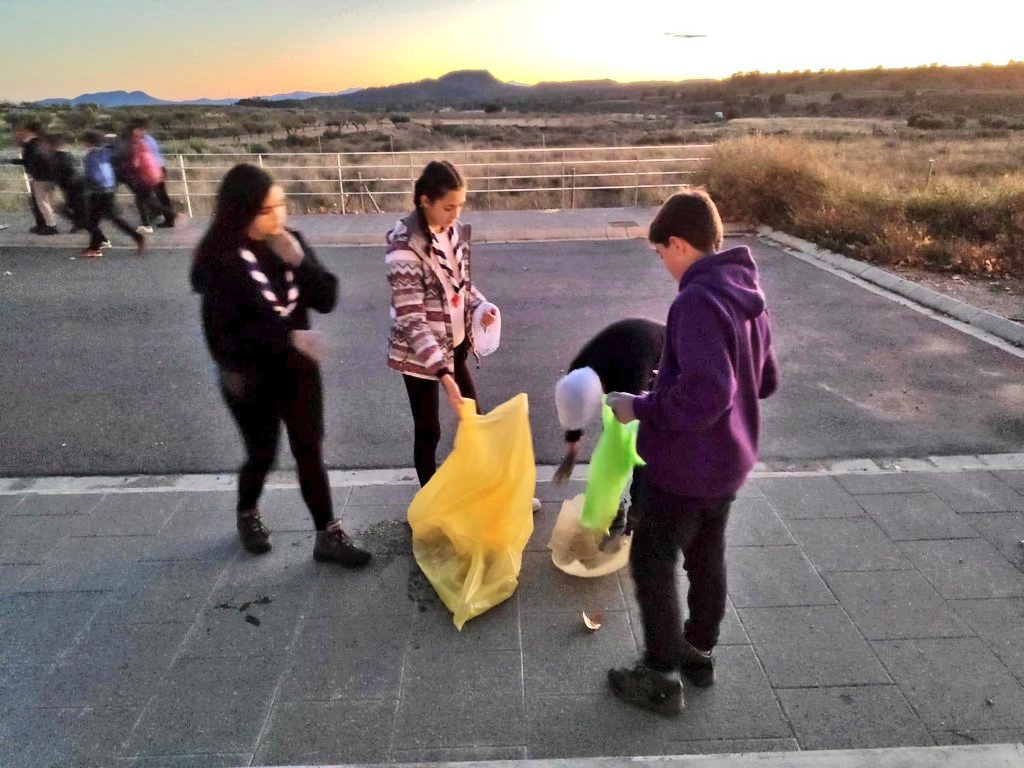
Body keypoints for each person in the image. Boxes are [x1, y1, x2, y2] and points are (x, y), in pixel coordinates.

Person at [604, 190, 779, 715]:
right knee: (707, 557)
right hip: (729, 462)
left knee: (652, 560)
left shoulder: (696, 300)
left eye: (661, 253)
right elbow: (763, 380)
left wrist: (639, 406)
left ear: (678, 243)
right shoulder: (746, 290)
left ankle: (660, 676)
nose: (663, 264)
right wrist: (679, 381)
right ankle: (698, 653)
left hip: (686, 467)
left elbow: (707, 394)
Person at [190, 163, 370, 567]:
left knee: (309, 449)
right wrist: (286, 337)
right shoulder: (223, 262)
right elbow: (223, 338)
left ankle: (328, 535)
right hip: (249, 377)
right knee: (262, 454)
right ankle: (247, 513)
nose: (279, 217)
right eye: (267, 210)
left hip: (298, 372)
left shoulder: (291, 243)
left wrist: (302, 262)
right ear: (242, 211)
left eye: (281, 206)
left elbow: (326, 300)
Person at [385, 160, 499, 487]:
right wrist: (445, 376)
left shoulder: (453, 232)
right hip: (419, 356)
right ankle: (429, 499)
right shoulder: (403, 247)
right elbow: (411, 320)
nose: (456, 215)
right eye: (449, 207)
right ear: (425, 201)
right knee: (428, 429)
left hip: (456, 344)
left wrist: (480, 307)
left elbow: (462, 284)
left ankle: (488, 489)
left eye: (461, 206)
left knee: (474, 417)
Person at [553, 318, 665, 538]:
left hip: (661, 357)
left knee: (642, 449)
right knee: (615, 443)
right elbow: (573, 405)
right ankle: (615, 508)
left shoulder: (633, 377)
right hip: (625, 349)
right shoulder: (578, 371)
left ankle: (638, 513)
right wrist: (573, 441)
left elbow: (634, 441)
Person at [79, 131, 146, 257]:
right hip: (105, 189)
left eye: (84, 142)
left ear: (88, 142)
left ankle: (137, 237)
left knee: (100, 220)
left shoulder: (92, 155)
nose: (82, 144)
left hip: (100, 191)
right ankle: (95, 247)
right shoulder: (105, 153)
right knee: (95, 220)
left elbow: (93, 175)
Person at [122, 119, 176, 233]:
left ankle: (152, 221)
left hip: (148, 171)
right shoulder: (150, 139)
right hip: (160, 168)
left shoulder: (139, 142)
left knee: (143, 198)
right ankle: (168, 218)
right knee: (161, 195)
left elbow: (137, 160)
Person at [10, 121, 59, 235]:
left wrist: (15, 161)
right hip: (51, 176)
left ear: (30, 131)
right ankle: (44, 224)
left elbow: (31, 159)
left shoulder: (32, 144)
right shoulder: (44, 142)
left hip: (40, 177)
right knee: (44, 201)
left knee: (41, 202)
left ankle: (50, 226)